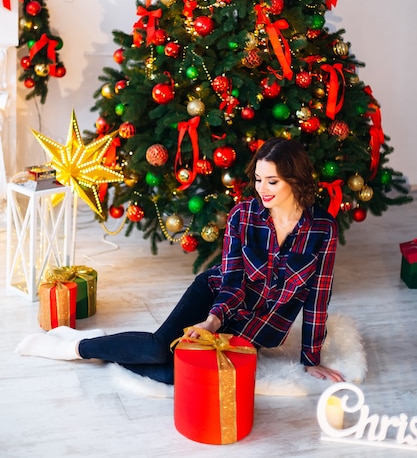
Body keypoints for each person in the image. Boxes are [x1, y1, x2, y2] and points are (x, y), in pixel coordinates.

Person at [16, 137, 344, 385]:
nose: (262, 189)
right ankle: (76, 346)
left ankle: (113, 345)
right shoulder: (243, 216)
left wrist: (310, 359)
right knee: (159, 349)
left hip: (257, 326)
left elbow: (317, 299)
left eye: (272, 181)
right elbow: (231, 282)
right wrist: (211, 322)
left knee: (177, 375)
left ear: (296, 181)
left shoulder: (321, 230)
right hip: (216, 297)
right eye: (258, 179)